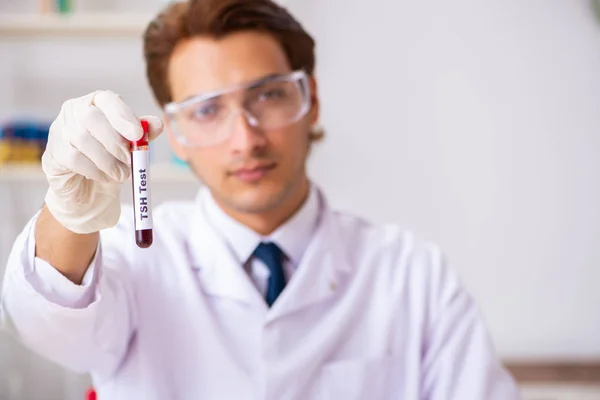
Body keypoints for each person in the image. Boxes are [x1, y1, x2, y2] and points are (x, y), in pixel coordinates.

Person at [0, 0, 522, 399]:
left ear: (310, 100)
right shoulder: (136, 260)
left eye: (268, 95)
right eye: (207, 111)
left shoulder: (413, 276)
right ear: (173, 133)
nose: (245, 139)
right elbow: (50, 329)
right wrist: (69, 214)